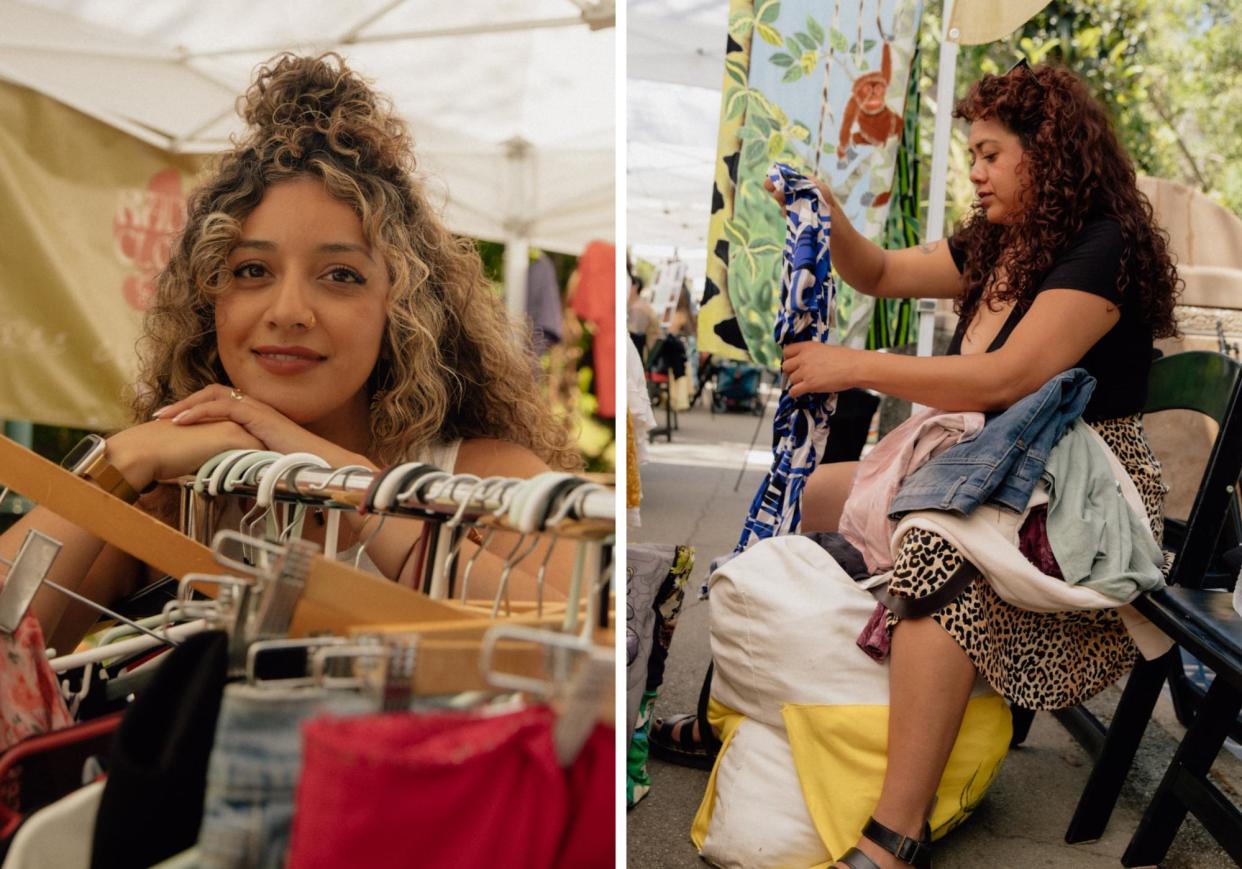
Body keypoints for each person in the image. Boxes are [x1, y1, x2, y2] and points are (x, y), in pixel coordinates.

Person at [666, 61, 1180, 869]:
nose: (973, 172)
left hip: (1085, 484)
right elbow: (878, 272)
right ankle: (750, 707)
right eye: (971, 154)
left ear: (1047, 153)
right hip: (1006, 456)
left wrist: (854, 363)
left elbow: (1009, 381)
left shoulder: (1101, 247)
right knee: (825, 492)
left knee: (939, 548)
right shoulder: (1005, 237)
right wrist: (829, 216)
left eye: (988, 153)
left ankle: (895, 829)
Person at [3, 53, 582, 657]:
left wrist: (332, 472)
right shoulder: (175, 494)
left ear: (405, 305)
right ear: (209, 302)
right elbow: (9, 633)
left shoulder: (485, 479)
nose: (288, 311)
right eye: (252, 270)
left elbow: (555, 652)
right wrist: (122, 459)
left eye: (340, 275)